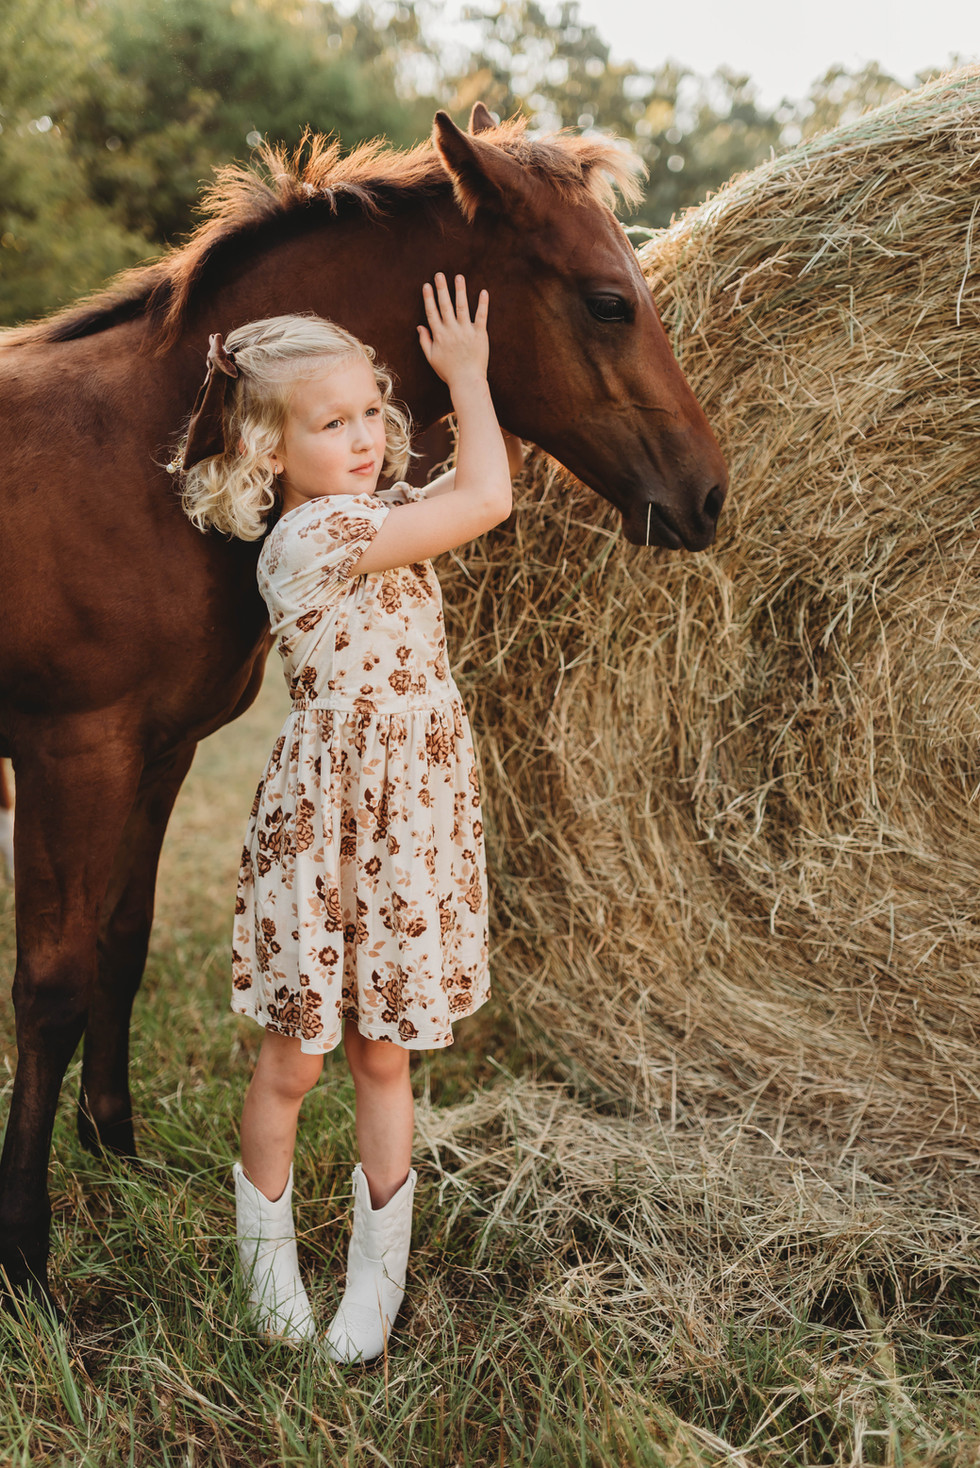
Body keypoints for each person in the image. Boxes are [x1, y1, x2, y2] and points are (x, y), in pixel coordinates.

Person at [178, 275, 523, 1364]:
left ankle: (378, 1270)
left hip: (408, 810)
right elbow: (484, 500)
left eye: (371, 409)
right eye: (331, 423)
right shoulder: (311, 539)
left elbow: (446, 496)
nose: (365, 436)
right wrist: (469, 377)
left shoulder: (370, 513)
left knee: (385, 1053)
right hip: (329, 819)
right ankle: (266, 1258)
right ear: (269, 450)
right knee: (294, 1059)